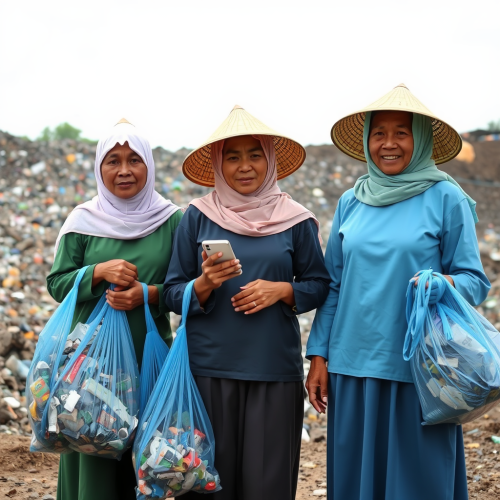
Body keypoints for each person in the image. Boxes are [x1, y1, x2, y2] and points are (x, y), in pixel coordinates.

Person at [306, 84, 490, 500]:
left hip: (420, 370)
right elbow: (334, 285)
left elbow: (474, 282)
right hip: (352, 366)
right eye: (379, 133)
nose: (388, 144)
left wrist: (441, 282)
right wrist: (318, 355)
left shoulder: (446, 197)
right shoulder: (351, 201)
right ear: (368, 139)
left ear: (420, 140)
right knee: (356, 481)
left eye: (401, 133)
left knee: (417, 483)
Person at [164, 105, 331, 500]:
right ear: (219, 164)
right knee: (206, 484)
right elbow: (173, 292)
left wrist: (283, 291)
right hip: (207, 371)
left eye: (254, 154)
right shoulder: (197, 217)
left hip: (273, 371)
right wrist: (203, 284)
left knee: (266, 485)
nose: (244, 166)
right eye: (233, 156)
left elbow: (320, 283)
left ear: (270, 160)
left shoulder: (296, 220)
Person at [47, 119, 182, 500]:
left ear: (149, 167)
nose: (124, 170)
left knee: (147, 457)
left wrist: (149, 294)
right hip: (91, 365)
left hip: (149, 360)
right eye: (113, 161)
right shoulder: (83, 221)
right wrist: (96, 272)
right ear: (98, 168)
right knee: (94, 451)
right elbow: (57, 283)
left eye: (134, 160)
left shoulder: (172, 220)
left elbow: (185, 287)